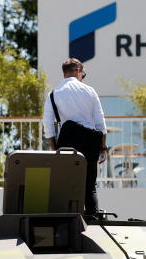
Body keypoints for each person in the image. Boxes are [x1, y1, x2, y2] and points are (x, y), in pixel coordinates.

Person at [42, 57, 107, 218]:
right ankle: (92, 218)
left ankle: (67, 219)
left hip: (67, 142)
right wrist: (103, 147)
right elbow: (100, 122)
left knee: (66, 183)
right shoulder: (90, 91)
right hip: (90, 142)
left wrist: (54, 147)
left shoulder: (53, 94)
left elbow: (48, 124)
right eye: (82, 73)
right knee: (90, 185)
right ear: (78, 70)